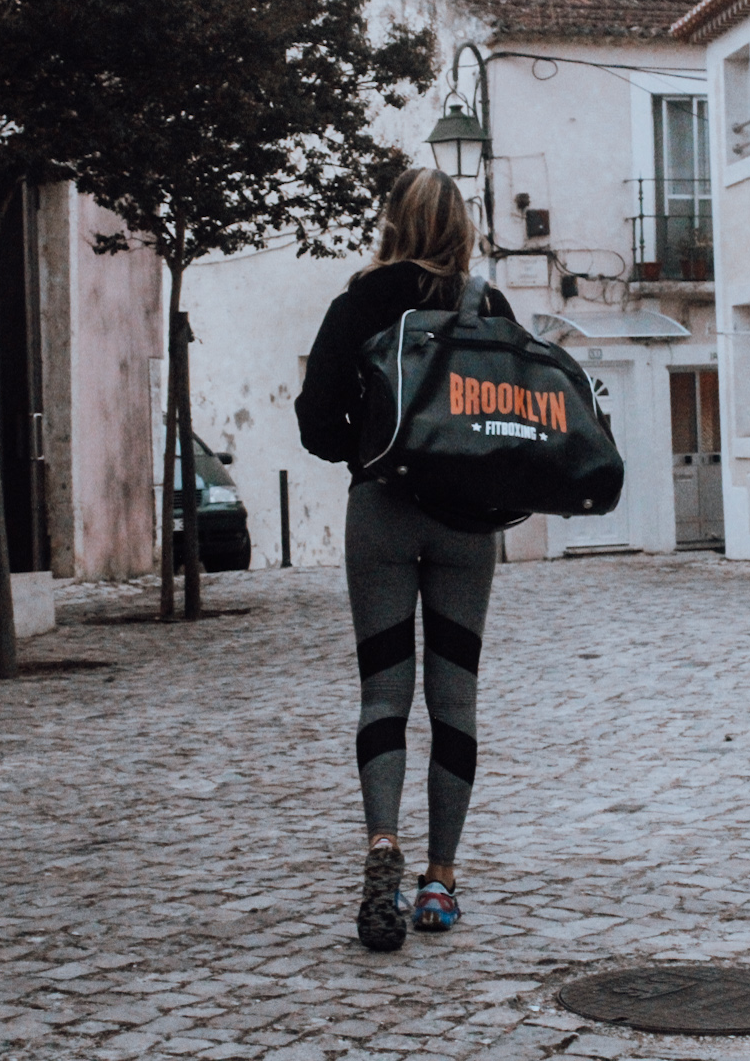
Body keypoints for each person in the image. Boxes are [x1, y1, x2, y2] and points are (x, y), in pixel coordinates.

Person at [295, 166, 515, 953]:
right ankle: (440, 880)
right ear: (462, 227)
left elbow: (315, 423)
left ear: (392, 222)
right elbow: (514, 415)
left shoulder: (358, 303)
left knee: (383, 693)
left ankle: (382, 844)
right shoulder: (486, 306)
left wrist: (367, 442)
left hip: (383, 513)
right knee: (455, 699)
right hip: (466, 522)